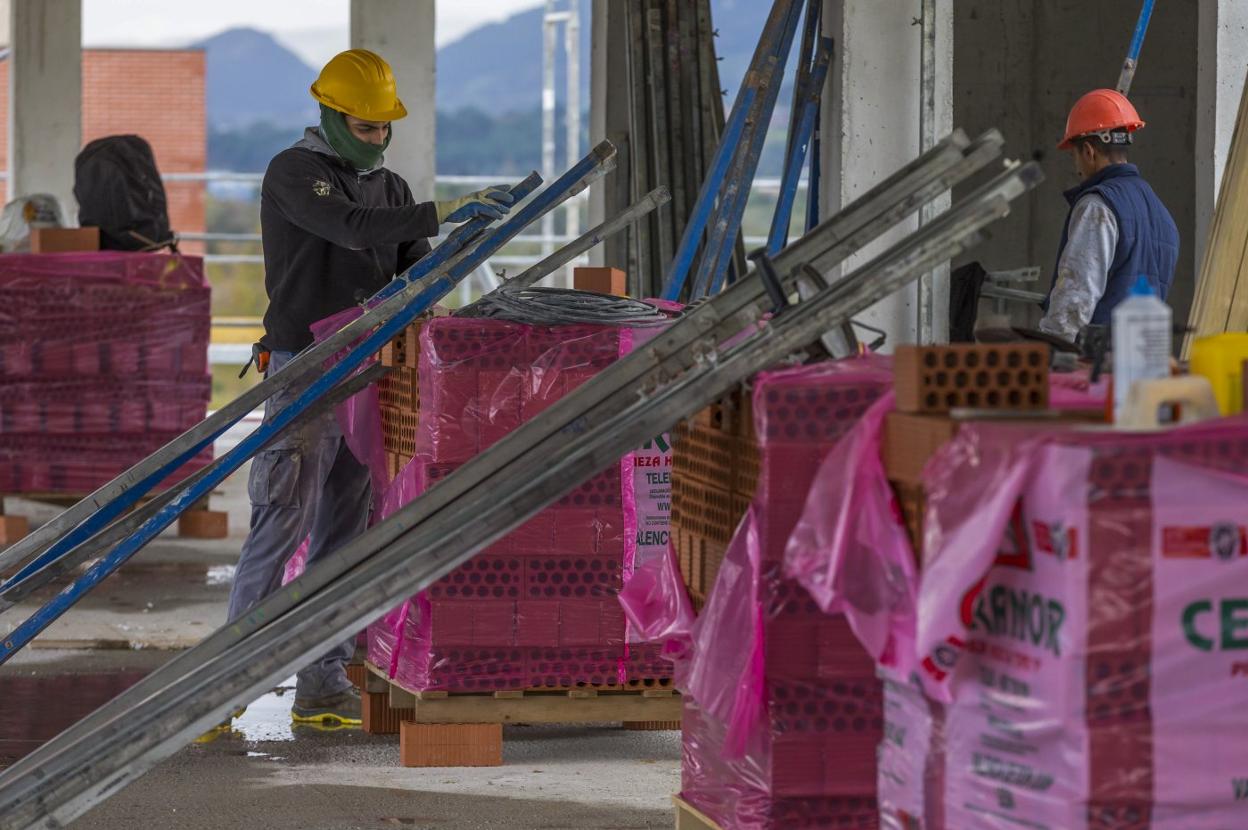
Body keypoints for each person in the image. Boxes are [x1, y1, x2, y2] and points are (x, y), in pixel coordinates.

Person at [226, 49, 514, 727]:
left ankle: (322, 683)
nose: (379, 138)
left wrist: (446, 261)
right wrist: (440, 212)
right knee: (282, 515)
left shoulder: (390, 190)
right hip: (306, 366)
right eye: (365, 127)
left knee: (345, 529)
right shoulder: (295, 173)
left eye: (385, 128)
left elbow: (410, 265)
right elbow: (346, 228)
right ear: (329, 113)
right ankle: (221, 681)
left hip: (368, 370)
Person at [1038, 88, 1180, 344]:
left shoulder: (1098, 206)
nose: (1077, 167)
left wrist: (1051, 349)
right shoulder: (1161, 212)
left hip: (1098, 366)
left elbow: (1076, 293)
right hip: (1144, 357)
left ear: (1089, 151)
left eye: (1074, 156)